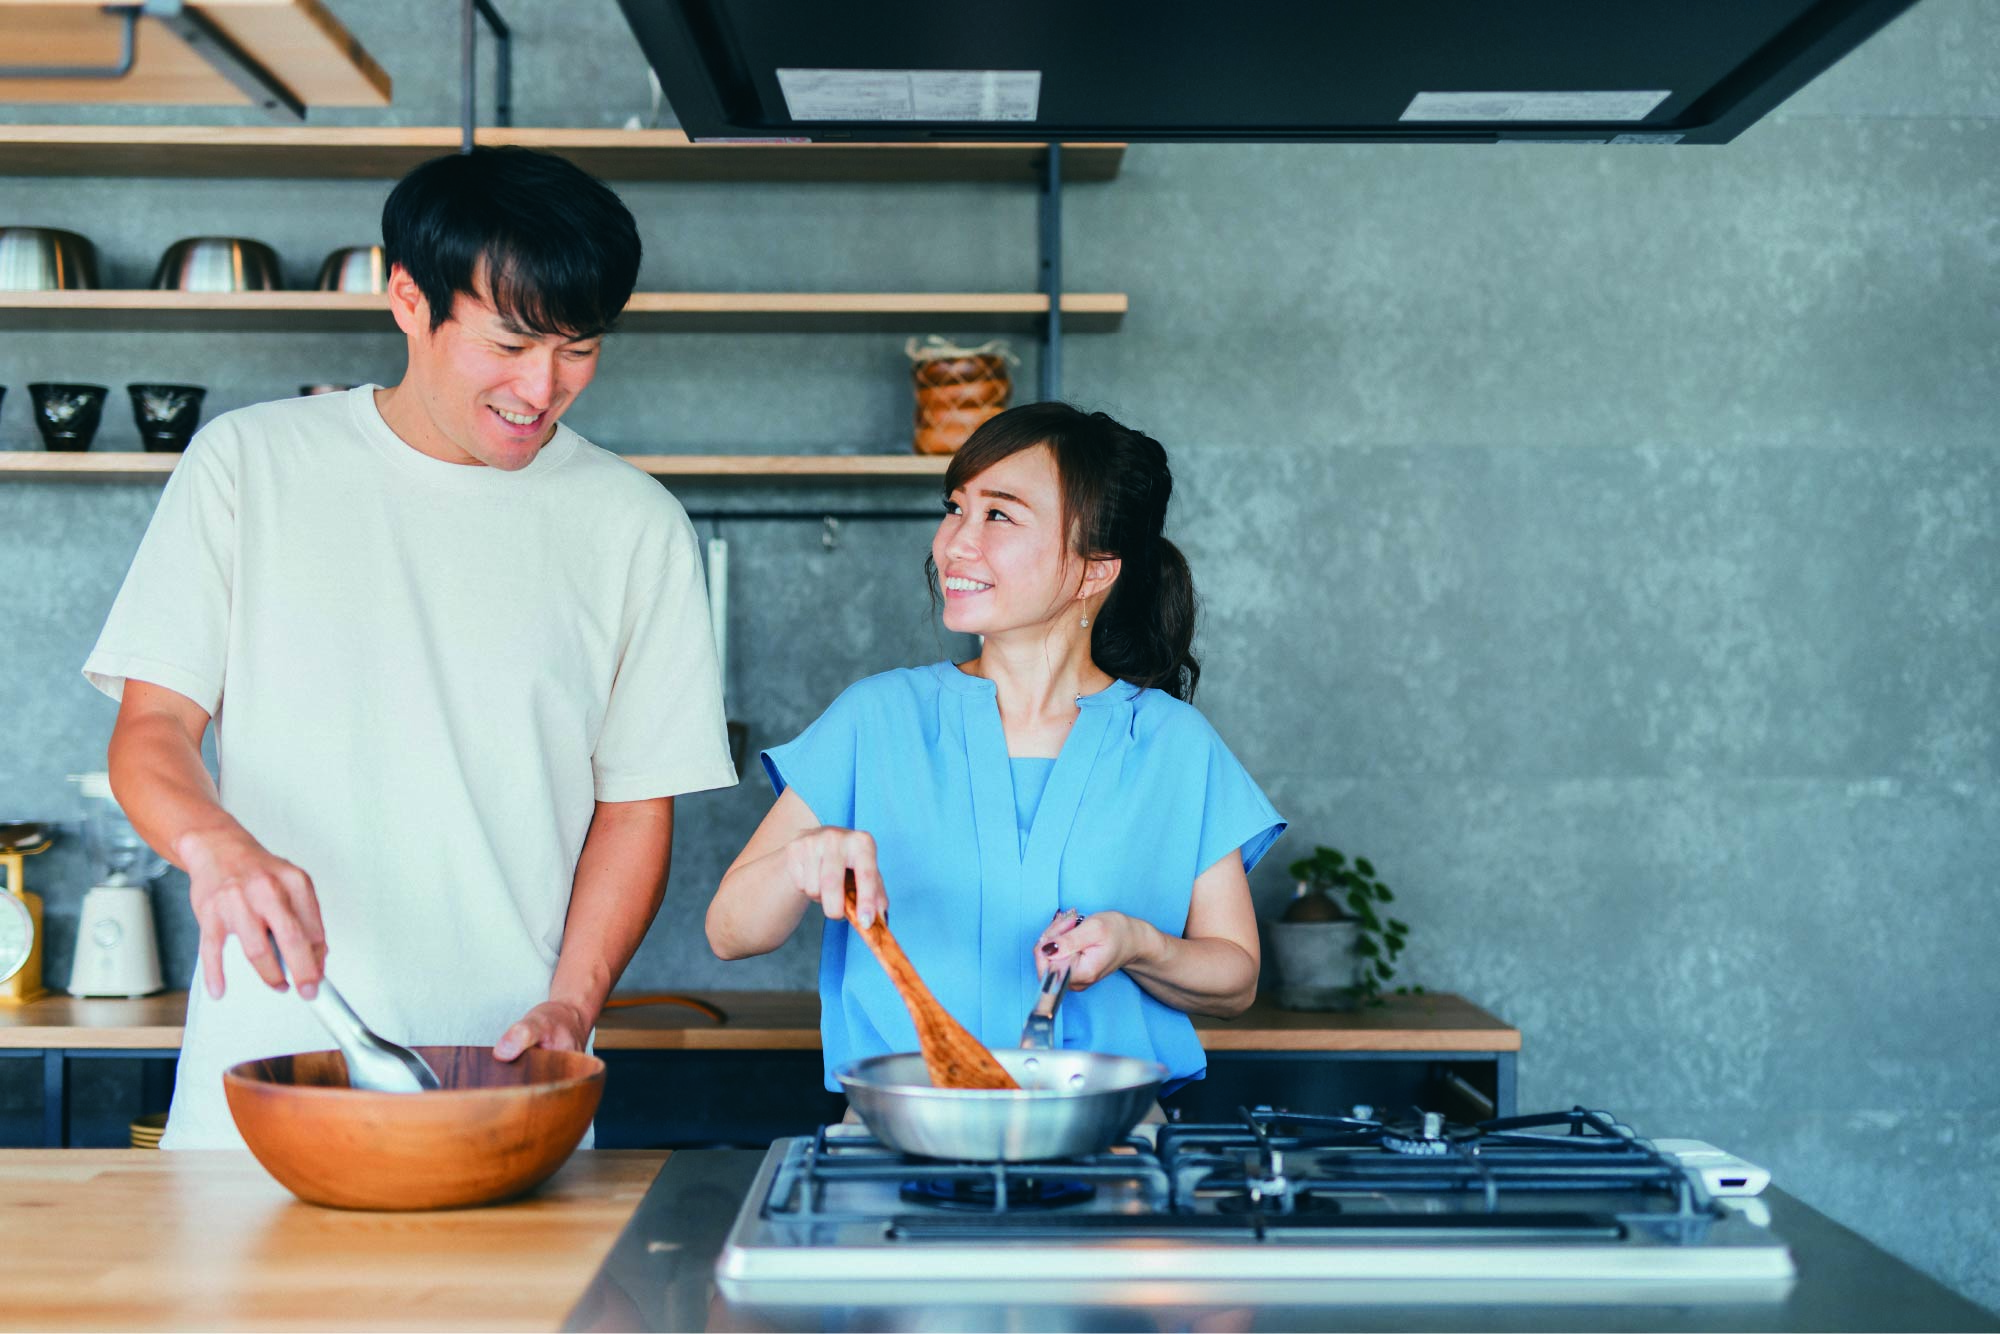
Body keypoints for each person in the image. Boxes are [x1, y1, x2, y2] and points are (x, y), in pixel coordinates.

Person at [84, 147, 736, 1149]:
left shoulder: (633, 524)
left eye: (578, 347)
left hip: (509, 1087)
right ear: (407, 298)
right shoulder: (251, 465)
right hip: (265, 1080)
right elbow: (154, 726)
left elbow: (634, 807)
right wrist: (215, 848)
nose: (543, 384)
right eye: (511, 341)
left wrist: (573, 1002)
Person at [706, 402, 1284, 1097]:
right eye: (955, 508)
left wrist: (1138, 944)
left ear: (1096, 568)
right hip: (900, 1140)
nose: (954, 543)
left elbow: (1235, 979)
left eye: (999, 515)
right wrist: (805, 859)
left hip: (1110, 1147)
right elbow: (731, 932)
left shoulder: (1175, 746)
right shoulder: (877, 718)